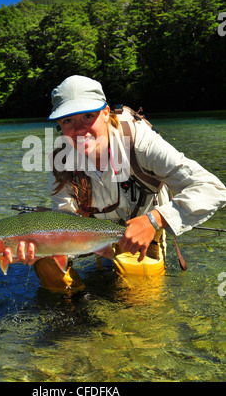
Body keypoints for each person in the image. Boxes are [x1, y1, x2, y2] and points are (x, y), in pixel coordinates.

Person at [15, 75, 226, 291]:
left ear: (106, 113)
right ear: (59, 125)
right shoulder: (61, 162)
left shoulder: (141, 143)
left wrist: (155, 220)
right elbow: (64, 221)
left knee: (139, 297)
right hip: (90, 233)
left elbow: (213, 189)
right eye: (68, 121)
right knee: (46, 264)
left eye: (88, 116)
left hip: (146, 228)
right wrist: (41, 247)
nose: (79, 129)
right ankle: (76, 310)